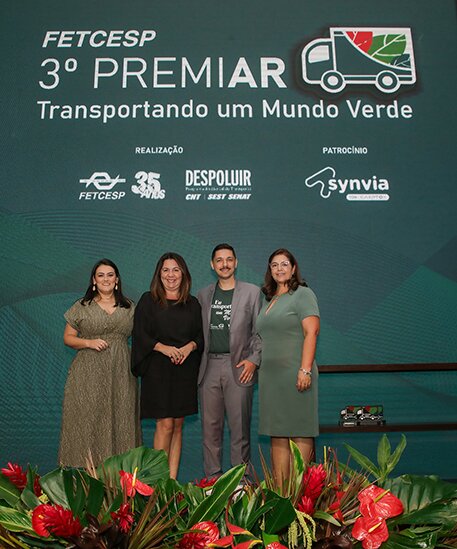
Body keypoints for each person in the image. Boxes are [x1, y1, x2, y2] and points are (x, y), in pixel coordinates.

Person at [59, 259, 140, 467]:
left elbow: (145, 335)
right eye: (101, 275)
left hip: (121, 372)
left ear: (117, 279)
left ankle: (120, 477)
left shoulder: (130, 306)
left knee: (121, 418)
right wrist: (88, 342)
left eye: (110, 275)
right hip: (88, 372)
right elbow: (68, 338)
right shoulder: (81, 306)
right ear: (94, 280)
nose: (106, 279)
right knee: (88, 420)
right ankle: (88, 477)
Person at [131, 252, 203, 479]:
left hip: (184, 371)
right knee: (165, 425)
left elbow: (200, 336)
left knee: (178, 425)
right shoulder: (148, 301)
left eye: (175, 270)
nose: (171, 275)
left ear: (183, 274)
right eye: (166, 270)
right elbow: (140, 334)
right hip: (158, 371)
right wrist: (164, 348)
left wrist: (189, 347)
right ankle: (158, 483)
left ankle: (171, 483)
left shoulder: (193, 304)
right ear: (159, 274)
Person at [256, 248, 320, 487]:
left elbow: (312, 332)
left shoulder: (303, 294)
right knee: (278, 433)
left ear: (293, 269)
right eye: (274, 265)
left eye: (284, 264)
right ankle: (282, 495)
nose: (279, 269)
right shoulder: (269, 298)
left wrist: (305, 370)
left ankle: (301, 494)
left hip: (296, 374)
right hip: (271, 379)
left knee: (300, 431)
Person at [198, 243, 261, 478]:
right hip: (209, 367)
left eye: (229, 259)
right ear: (212, 265)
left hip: (240, 366)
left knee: (240, 430)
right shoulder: (203, 295)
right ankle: (212, 481)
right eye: (219, 260)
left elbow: (260, 332)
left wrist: (254, 360)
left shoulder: (252, 292)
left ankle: (241, 481)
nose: (224, 264)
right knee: (210, 430)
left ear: (236, 262)